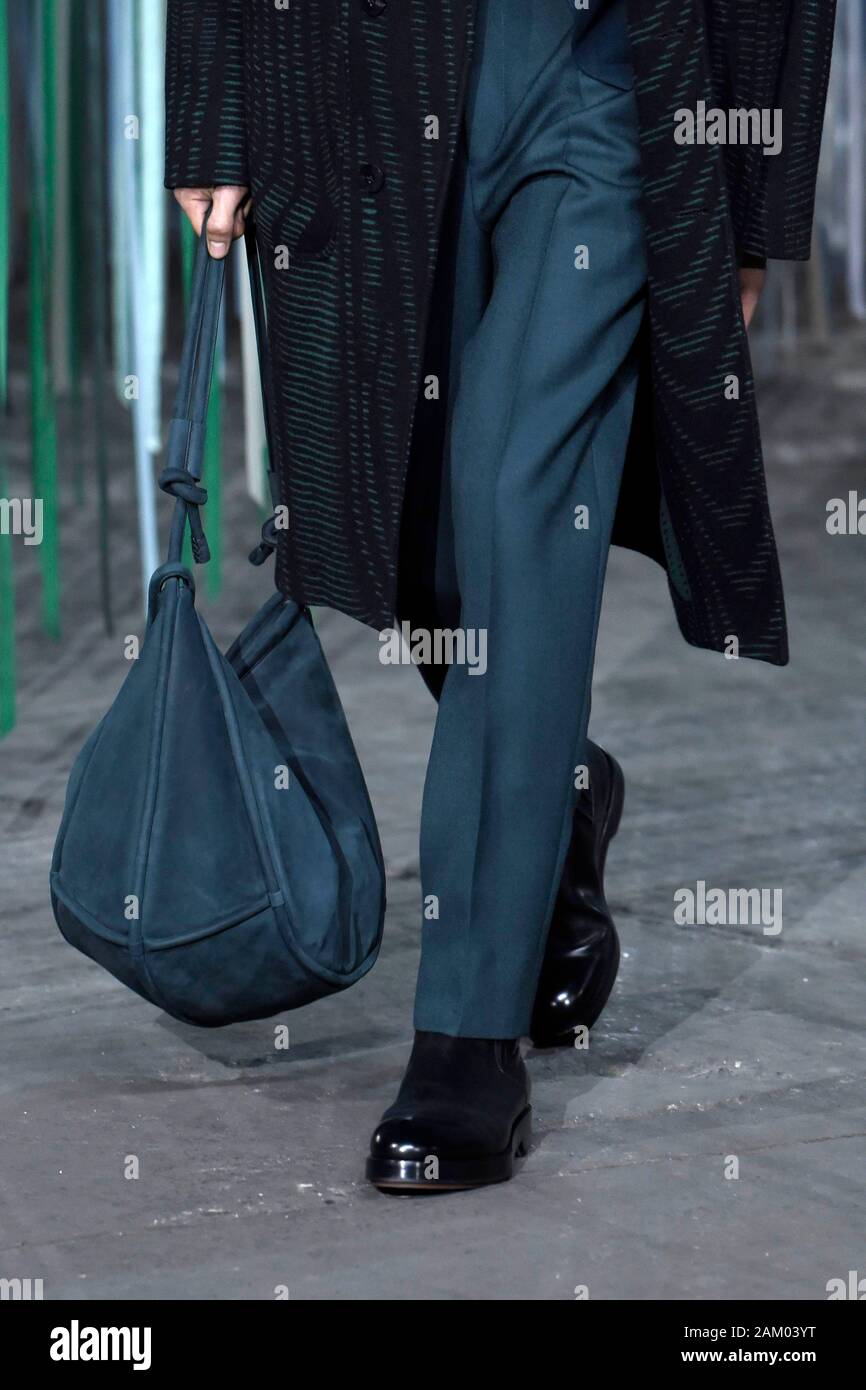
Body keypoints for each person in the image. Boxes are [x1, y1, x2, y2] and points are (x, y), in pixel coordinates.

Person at [165, 0, 836, 1192]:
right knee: (411, 539)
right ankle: (557, 792)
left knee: (512, 496)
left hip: (608, 73)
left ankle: (467, 1033)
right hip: (356, 67)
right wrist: (210, 97)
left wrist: (753, 188)